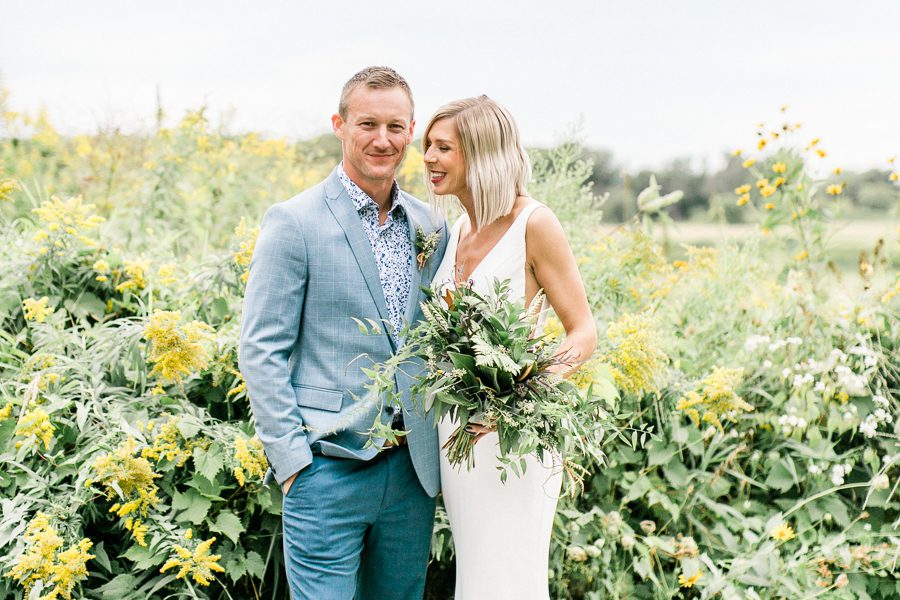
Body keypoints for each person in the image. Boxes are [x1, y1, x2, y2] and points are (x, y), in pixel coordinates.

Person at [239, 66, 448, 600]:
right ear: (339, 124)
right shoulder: (294, 222)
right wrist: (293, 466)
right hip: (325, 472)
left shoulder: (431, 227)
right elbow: (261, 350)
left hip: (411, 475)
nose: (383, 140)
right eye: (368, 124)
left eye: (396, 127)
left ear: (412, 130)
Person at [422, 95, 597, 599]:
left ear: (480, 154)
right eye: (428, 147)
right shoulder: (458, 230)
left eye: (442, 148)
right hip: (458, 434)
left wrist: (518, 397)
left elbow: (582, 331)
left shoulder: (534, 224)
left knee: (510, 579)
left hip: (512, 441)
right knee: (477, 577)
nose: (429, 158)